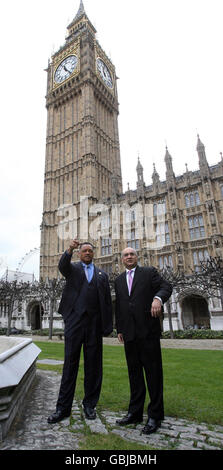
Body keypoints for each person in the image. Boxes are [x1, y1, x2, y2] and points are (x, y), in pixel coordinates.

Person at [48, 240, 113, 424]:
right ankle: (63, 408)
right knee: (70, 365)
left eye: (90, 251)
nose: (87, 253)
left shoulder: (102, 275)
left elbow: (107, 303)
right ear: (79, 253)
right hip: (75, 322)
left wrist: (107, 327)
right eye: (84, 250)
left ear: (93, 254)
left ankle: (89, 405)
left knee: (93, 367)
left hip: (94, 324)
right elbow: (62, 266)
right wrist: (69, 249)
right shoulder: (72, 269)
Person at [114, 247, 172, 434]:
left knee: (153, 375)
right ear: (121, 259)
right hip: (129, 334)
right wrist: (120, 329)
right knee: (135, 375)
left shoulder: (149, 273)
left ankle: (155, 415)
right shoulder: (119, 280)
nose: (129, 257)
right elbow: (121, 306)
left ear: (137, 257)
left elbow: (166, 287)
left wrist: (157, 299)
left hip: (148, 332)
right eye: (126, 255)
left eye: (132, 254)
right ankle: (135, 412)